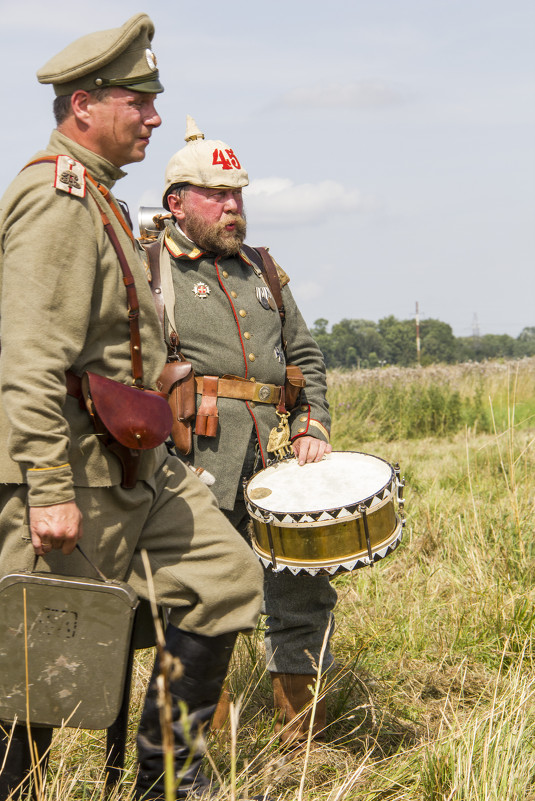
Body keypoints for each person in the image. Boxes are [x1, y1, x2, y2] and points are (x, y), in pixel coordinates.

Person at [0, 17, 265, 801]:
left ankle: (168, 780)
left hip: (138, 468)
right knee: (35, 670)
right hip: (71, 471)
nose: (153, 116)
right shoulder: (55, 197)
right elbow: (29, 356)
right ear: (84, 105)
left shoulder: (100, 197)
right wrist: (46, 483)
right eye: (138, 101)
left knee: (224, 579)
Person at [150, 117, 336, 748]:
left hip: (275, 462)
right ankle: (203, 752)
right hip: (194, 464)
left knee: (302, 593)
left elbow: (303, 357)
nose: (233, 206)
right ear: (177, 202)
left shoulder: (263, 268)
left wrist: (311, 426)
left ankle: (298, 742)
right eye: (217, 194)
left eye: (238, 194)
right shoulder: (152, 270)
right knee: (208, 602)